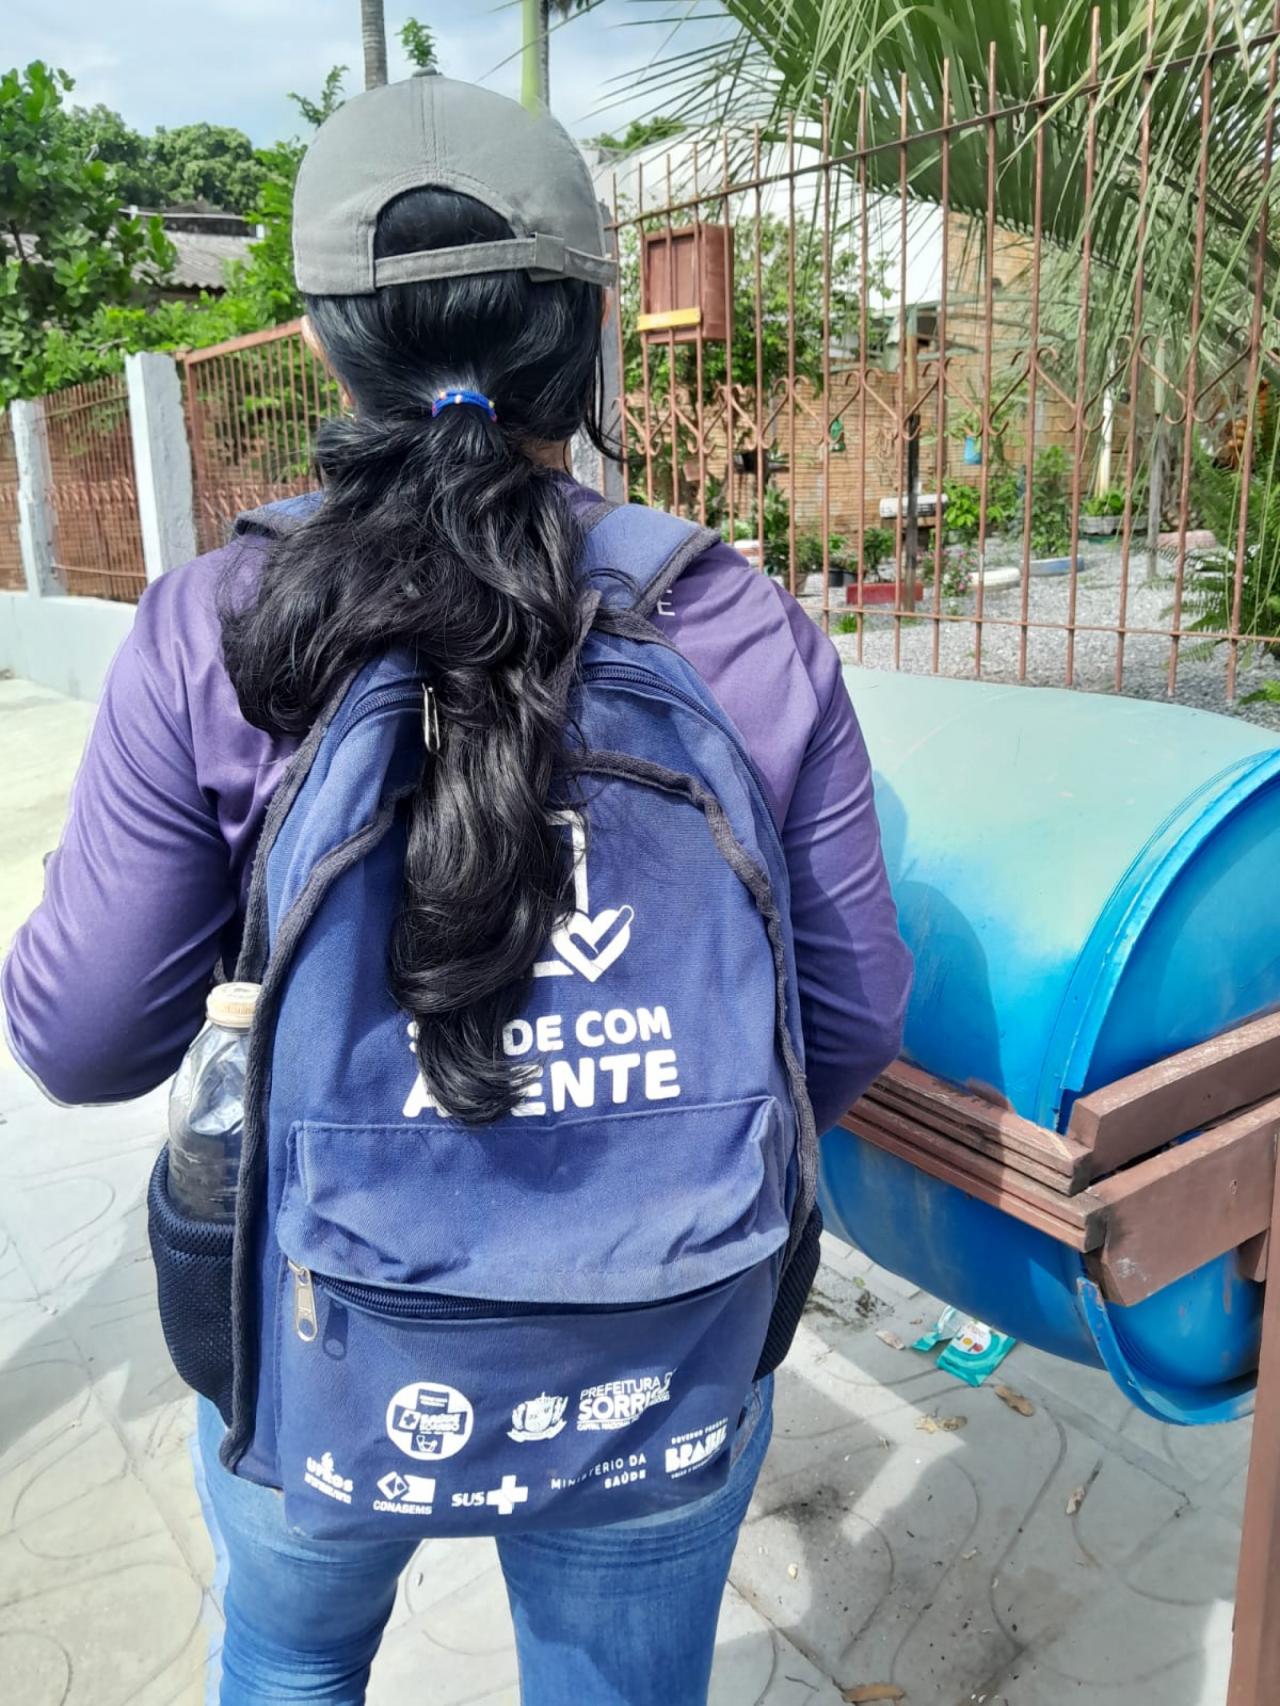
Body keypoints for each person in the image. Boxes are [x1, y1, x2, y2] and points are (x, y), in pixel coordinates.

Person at [2, 74, 911, 1706]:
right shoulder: (739, 624)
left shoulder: (216, 628)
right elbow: (839, 1028)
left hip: (324, 1331)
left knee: (291, 1658)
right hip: (659, 1342)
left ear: (325, 343)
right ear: (591, 328)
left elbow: (83, 1039)